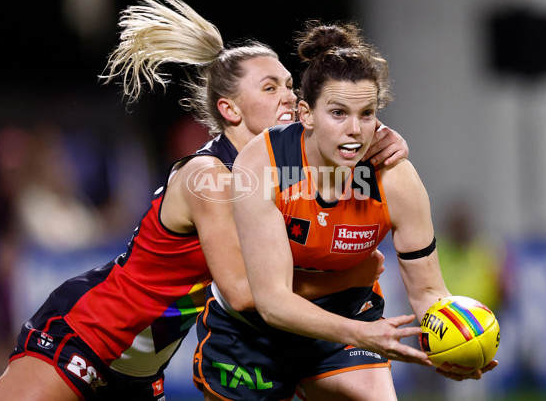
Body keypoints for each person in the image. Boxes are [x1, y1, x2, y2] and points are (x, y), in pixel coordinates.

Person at [0, 0, 410, 401]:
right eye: (270, 88)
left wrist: (382, 139)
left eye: (288, 84)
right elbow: (245, 295)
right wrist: (352, 277)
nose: (289, 95)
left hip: (140, 371)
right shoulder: (210, 177)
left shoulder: (275, 171)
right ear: (230, 110)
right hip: (85, 333)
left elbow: (342, 137)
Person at [193, 20, 498, 401]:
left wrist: (457, 338)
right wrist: (361, 330)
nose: (355, 129)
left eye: (366, 114)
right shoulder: (263, 165)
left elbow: (429, 292)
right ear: (305, 114)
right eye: (338, 113)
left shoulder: (396, 180)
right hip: (253, 334)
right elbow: (271, 303)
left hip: (349, 315)